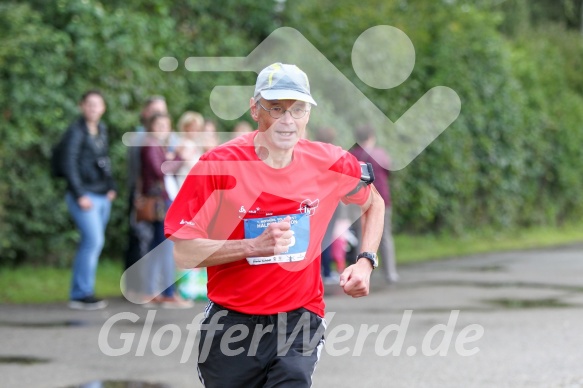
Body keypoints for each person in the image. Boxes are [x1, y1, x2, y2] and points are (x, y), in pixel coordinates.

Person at [165, 63, 385, 387]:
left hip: (299, 320)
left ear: (308, 114)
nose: (287, 121)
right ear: (255, 109)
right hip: (232, 323)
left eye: (297, 110)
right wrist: (251, 247)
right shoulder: (218, 165)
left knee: (293, 378)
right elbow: (183, 253)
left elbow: (373, 203)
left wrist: (365, 262)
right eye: (277, 108)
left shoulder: (329, 162)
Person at [62, 90, 117, 310]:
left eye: (98, 104)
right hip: (84, 196)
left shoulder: (101, 130)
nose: (93, 108)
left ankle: (80, 292)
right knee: (94, 241)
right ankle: (82, 293)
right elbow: (69, 164)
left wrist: (111, 187)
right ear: (81, 106)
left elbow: (104, 161)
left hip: (101, 195)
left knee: (91, 243)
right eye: (89, 104)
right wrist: (79, 194)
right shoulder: (75, 132)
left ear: (103, 108)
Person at [139, 113, 193, 309]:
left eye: (166, 124)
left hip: (163, 201)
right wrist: (179, 157)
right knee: (166, 247)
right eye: (159, 124)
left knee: (157, 246)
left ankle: (153, 291)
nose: (163, 128)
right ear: (151, 126)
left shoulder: (156, 146)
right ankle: (166, 293)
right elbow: (161, 169)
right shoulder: (151, 145)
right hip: (161, 202)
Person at [124, 96, 168, 298]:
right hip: (148, 198)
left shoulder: (158, 141)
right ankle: (141, 288)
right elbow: (141, 171)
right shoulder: (143, 140)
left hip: (153, 197)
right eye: (155, 111)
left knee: (152, 243)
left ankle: (148, 288)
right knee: (144, 243)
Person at [349, 124, 399, 283]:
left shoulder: (352, 155)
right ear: (372, 137)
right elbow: (389, 171)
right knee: (384, 236)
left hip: (358, 200)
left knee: (362, 236)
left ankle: (358, 273)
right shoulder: (381, 154)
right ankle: (390, 273)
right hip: (381, 199)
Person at [175, 111, 205, 187]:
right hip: (185, 180)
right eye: (192, 129)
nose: (195, 132)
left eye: (197, 129)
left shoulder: (194, 143)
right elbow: (190, 164)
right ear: (185, 128)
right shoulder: (186, 144)